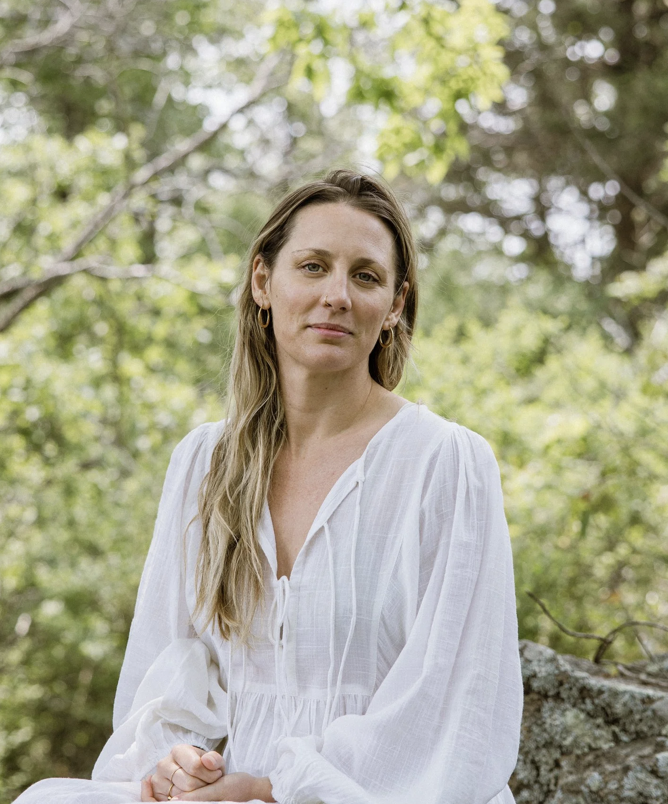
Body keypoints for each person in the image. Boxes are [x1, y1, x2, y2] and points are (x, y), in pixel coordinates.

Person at [14, 169, 523, 804]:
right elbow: (167, 667)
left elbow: (456, 704)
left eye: (365, 276)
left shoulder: (446, 463)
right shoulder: (205, 461)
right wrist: (178, 761)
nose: (336, 294)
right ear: (264, 281)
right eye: (313, 266)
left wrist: (277, 788)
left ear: (394, 304)